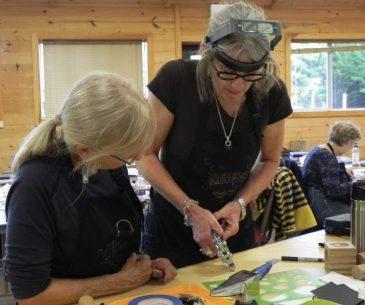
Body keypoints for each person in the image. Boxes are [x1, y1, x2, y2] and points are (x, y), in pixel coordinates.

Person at [137, 1, 293, 268]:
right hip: (170, 229)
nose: (238, 85)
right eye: (228, 72)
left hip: (232, 228)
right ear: (207, 51)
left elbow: (269, 161)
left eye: (251, 74)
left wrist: (239, 204)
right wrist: (191, 210)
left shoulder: (270, 91)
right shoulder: (176, 80)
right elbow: (144, 154)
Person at [3, 72, 177, 305]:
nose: (132, 159)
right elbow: (31, 294)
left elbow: (114, 243)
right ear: (85, 151)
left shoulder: (107, 163)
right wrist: (117, 281)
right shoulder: (35, 185)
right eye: (127, 155)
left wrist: (145, 267)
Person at [302, 121, 362, 227]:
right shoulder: (326, 157)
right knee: (360, 221)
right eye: (352, 144)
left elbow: (327, 175)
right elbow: (335, 191)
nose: (350, 148)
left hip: (319, 198)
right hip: (323, 202)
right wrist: (357, 183)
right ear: (345, 141)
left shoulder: (320, 149)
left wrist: (343, 171)